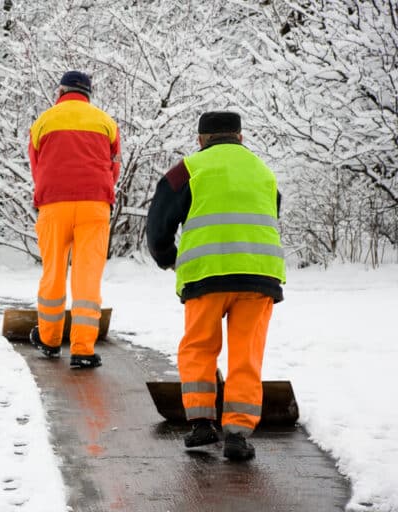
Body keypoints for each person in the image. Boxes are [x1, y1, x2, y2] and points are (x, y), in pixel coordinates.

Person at [145, 111, 285, 460]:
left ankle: (202, 423)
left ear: (200, 140)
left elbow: (159, 221)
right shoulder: (263, 171)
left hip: (205, 274)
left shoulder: (188, 169)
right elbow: (272, 211)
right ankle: (237, 433)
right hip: (258, 275)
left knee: (199, 347)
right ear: (240, 137)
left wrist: (166, 256)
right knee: (246, 353)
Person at [27, 70, 121, 369]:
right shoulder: (106, 122)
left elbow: (36, 166)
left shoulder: (43, 122)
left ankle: (50, 340)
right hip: (95, 205)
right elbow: (114, 168)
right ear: (88, 93)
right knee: (87, 276)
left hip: (55, 205)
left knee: (53, 272)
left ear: (60, 91)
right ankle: (82, 348)